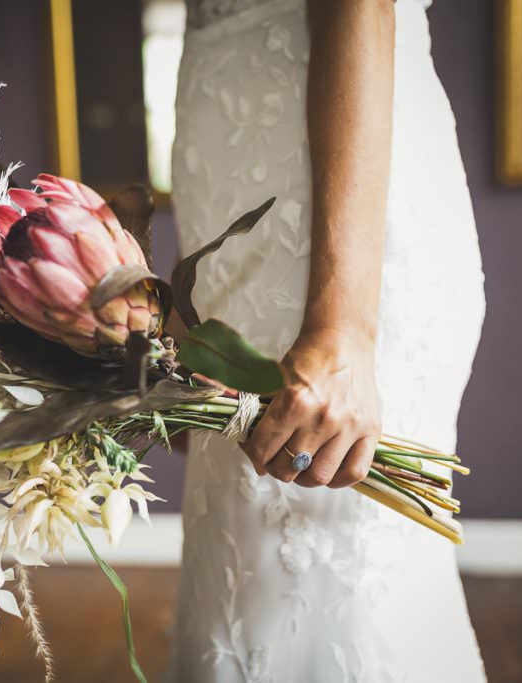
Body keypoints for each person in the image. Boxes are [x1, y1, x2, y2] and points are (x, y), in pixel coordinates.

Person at [166, 0, 488, 680]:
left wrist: (343, 329)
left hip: (330, 221)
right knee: (237, 569)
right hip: (228, 197)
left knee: (332, 567)